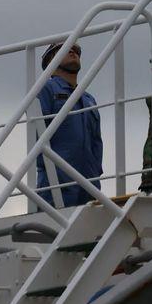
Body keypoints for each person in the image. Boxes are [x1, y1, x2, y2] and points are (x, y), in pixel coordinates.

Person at [35, 42, 103, 209]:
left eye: (76, 50)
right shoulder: (45, 89)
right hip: (56, 185)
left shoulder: (89, 99)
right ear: (51, 61)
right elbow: (37, 135)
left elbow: (97, 142)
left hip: (89, 184)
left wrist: (95, 171)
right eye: (64, 50)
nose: (73, 51)